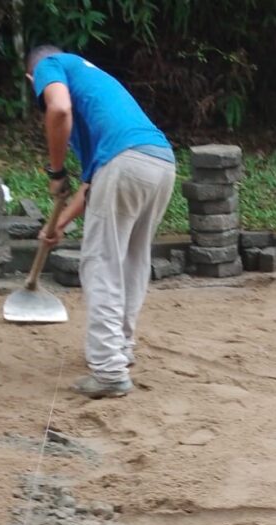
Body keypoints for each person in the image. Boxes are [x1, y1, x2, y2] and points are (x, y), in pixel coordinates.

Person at [26, 45, 176, 397]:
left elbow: (58, 108)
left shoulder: (50, 65)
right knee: (130, 263)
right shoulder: (95, 85)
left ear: (31, 78)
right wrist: (59, 223)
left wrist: (56, 170)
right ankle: (120, 351)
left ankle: (109, 372)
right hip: (160, 162)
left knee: (101, 263)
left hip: (127, 165)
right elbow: (96, 181)